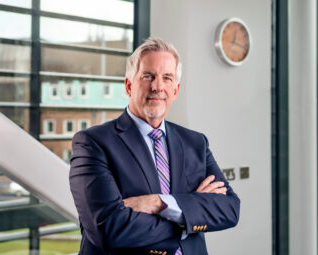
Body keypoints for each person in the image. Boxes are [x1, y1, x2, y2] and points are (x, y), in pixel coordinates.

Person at [69, 37, 240, 255]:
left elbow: (229, 209)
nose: (158, 86)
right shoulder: (93, 143)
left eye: (167, 78)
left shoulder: (195, 143)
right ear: (129, 85)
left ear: (176, 90)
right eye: (148, 76)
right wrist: (189, 213)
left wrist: (160, 203)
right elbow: (109, 228)